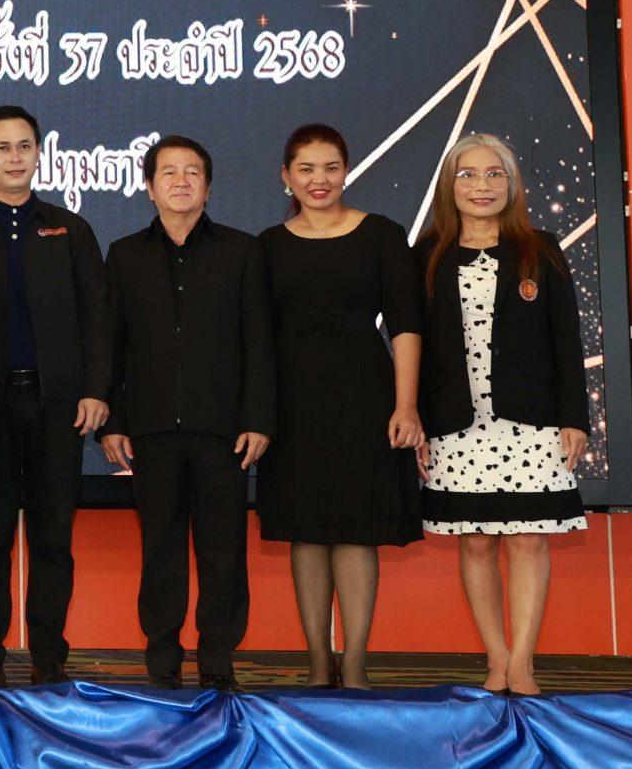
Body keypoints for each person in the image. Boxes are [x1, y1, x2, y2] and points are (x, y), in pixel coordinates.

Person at [414, 132, 589, 696]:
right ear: (449, 185)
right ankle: (495, 658)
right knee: (475, 541)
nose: (481, 186)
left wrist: (575, 417)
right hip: (455, 420)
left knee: (529, 539)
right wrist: (418, 419)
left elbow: (567, 339)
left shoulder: (541, 247)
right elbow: (415, 345)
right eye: (468, 174)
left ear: (512, 185)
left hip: (532, 420)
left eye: (495, 174)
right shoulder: (427, 253)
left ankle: (523, 664)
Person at [255, 124, 424, 690]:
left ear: (346, 171)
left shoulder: (382, 235)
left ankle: (354, 661)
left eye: (330, 167)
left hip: (364, 394)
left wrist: (406, 405)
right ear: (286, 176)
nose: (319, 179)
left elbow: (405, 325)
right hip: (291, 400)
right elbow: (254, 336)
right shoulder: (267, 246)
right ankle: (316, 660)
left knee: (356, 529)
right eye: (306, 169)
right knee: (305, 530)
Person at [101, 135, 272, 692]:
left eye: (192, 172)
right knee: (161, 548)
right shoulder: (124, 254)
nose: (181, 181)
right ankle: (163, 655)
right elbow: (111, 344)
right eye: (168, 172)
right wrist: (113, 422)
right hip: (150, 428)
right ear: (149, 188)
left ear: (208, 186)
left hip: (223, 429)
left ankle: (218, 655)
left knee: (224, 549)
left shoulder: (242, 251)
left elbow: (259, 342)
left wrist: (258, 418)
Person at [0, 105, 109, 686]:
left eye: (25, 146)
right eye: (3, 147)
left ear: (39, 153)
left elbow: (97, 315)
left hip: (57, 405)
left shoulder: (71, 229)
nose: (15, 157)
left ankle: (49, 656)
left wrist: (95, 390)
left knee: (53, 538)